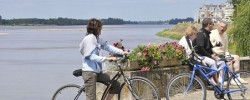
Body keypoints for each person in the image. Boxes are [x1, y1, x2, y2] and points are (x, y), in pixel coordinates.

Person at [79, 18, 128, 100]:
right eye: (100, 28)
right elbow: (91, 56)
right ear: (96, 28)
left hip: (97, 72)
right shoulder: (89, 39)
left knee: (115, 85)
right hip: (89, 72)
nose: (101, 29)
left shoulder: (96, 38)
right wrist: (107, 58)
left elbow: (106, 46)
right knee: (91, 98)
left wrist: (122, 52)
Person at [193, 18, 226, 85]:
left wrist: (216, 46)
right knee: (213, 62)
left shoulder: (207, 33)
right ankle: (214, 82)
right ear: (209, 25)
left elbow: (208, 47)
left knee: (222, 62)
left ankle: (221, 80)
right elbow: (200, 48)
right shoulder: (201, 34)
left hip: (205, 55)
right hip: (200, 56)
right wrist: (210, 56)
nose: (213, 26)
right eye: (212, 24)